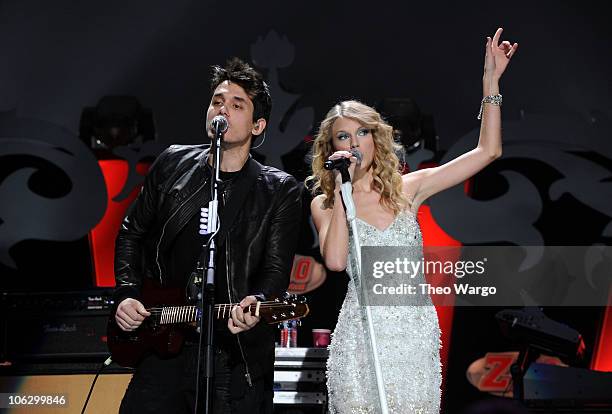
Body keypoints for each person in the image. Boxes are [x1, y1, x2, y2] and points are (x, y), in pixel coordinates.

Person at [308, 28, 518, 413]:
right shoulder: (325, 203)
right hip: (359, 338)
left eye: (362, 132)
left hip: (413, 337)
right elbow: (336, 261)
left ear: (376, 139)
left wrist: (491, 83)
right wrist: (342, 189)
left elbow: (489, 151)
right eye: (343, 136)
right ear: (332, 148)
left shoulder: (409, 189)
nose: (353, 142)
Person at [113, 57, 302, 413]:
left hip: (231, 356)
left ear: (258, 125)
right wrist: (126, 293)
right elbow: (131, 233)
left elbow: (276, 271)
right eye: (217, 101)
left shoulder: (278, 190)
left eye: (236, 105)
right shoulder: (172, 164)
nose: (222, 110)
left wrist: (257, 302)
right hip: (164, 345)